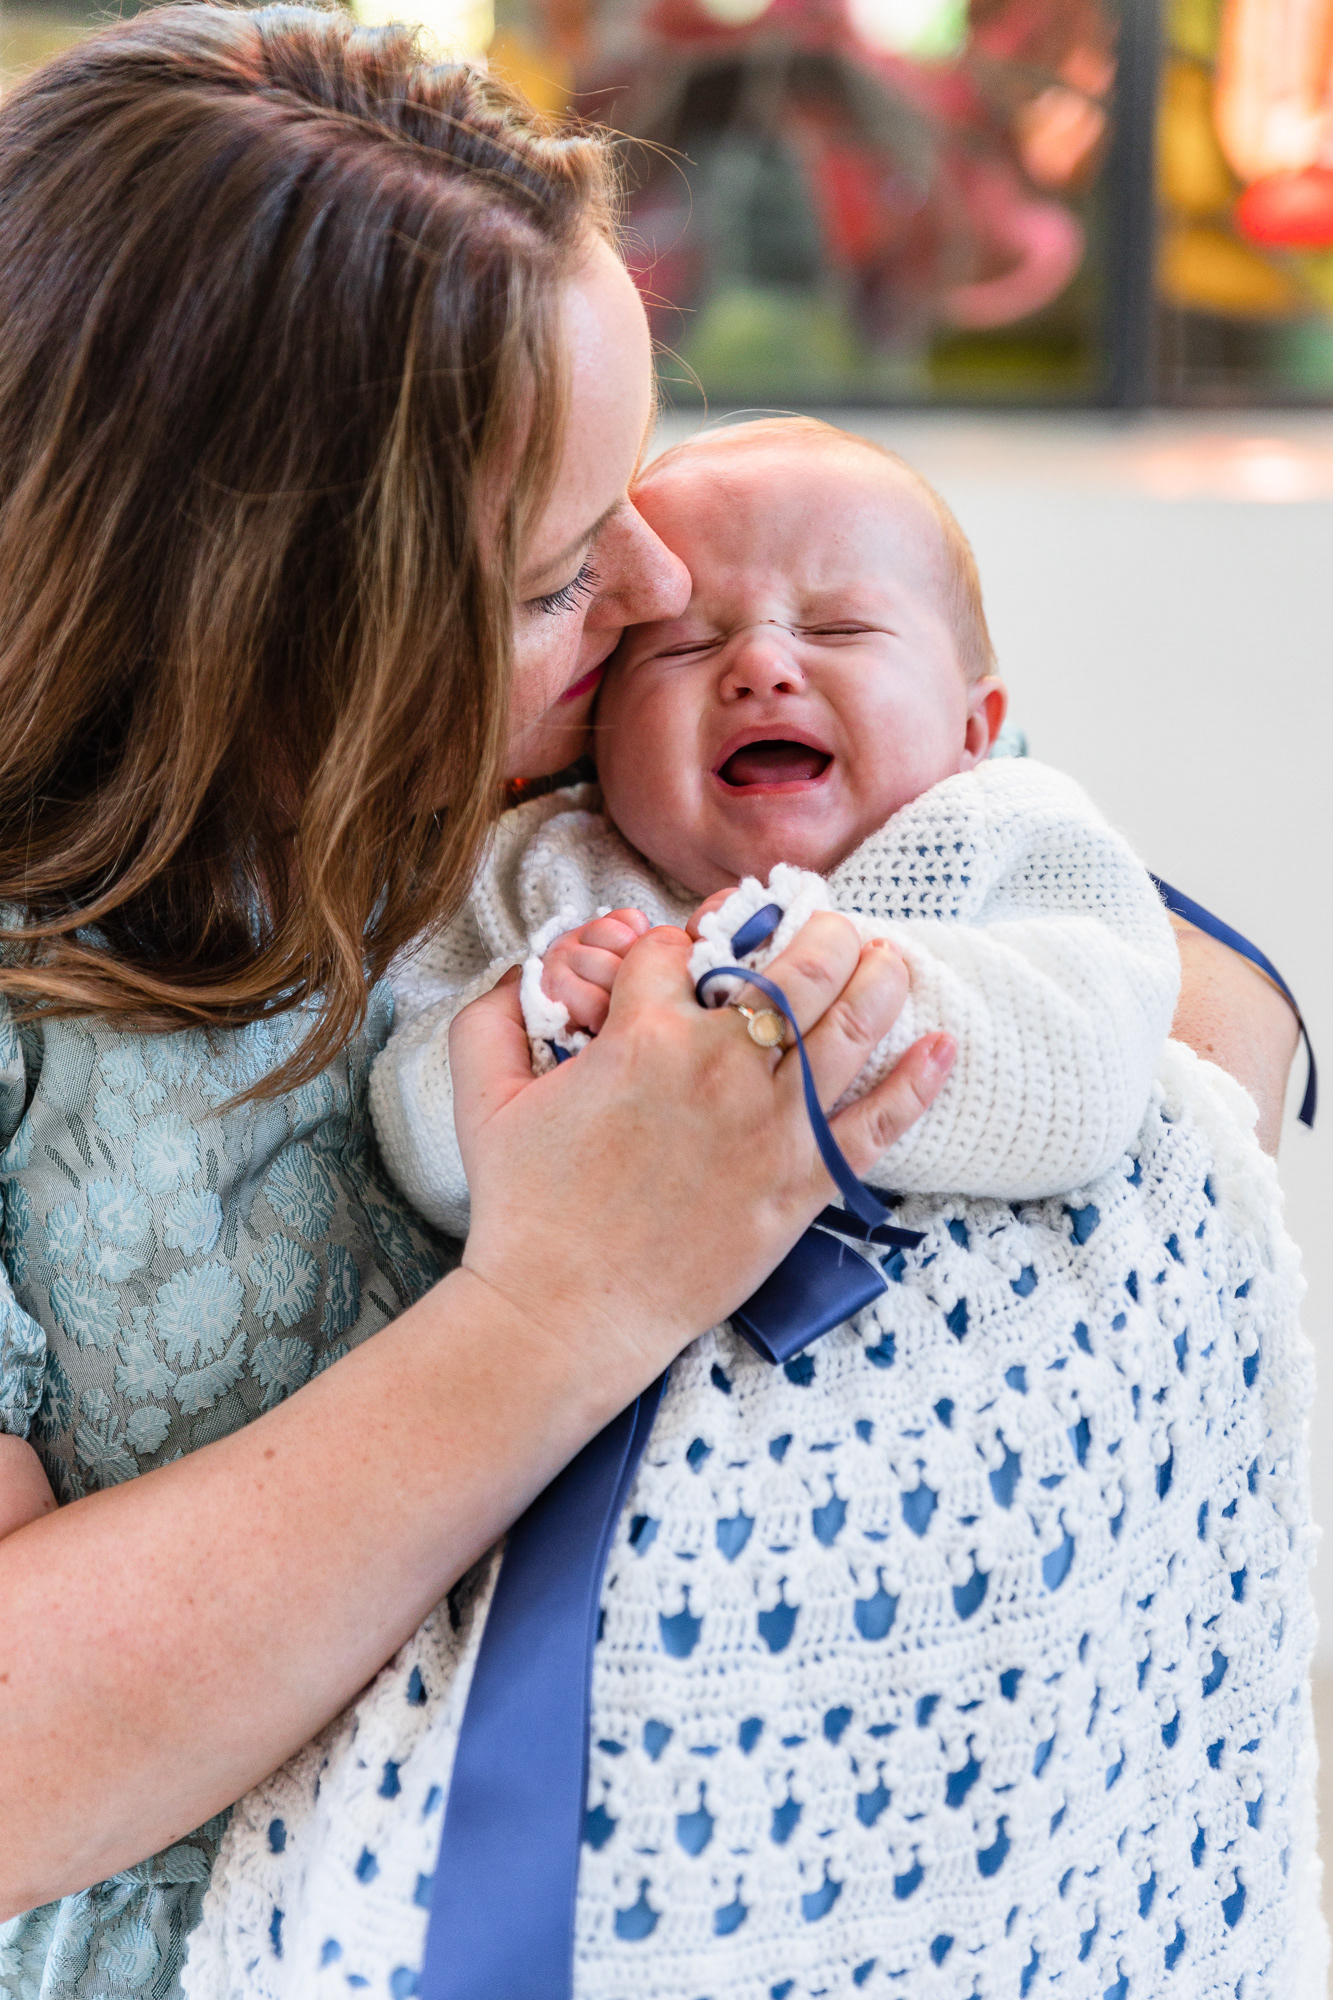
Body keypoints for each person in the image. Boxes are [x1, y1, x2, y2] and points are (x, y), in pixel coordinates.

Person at [0, 15, 967, 1997]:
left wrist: (1216, 1005)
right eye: (549, 576)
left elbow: (1034, 868)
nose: (658, 584)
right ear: (252, 638)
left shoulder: (532, 769)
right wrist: (564, 1306)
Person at [188, 421, 1319, 1997]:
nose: (762, 666)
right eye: (682, 645)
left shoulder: (1006, 846)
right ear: (588, 737)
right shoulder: (540, 881)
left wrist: (833, 1010)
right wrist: (522, 1036)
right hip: (630, 1573)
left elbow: (1087, 1064)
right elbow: (419, 1134)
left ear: (978, 723)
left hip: (961, 1535)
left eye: (839, 628)